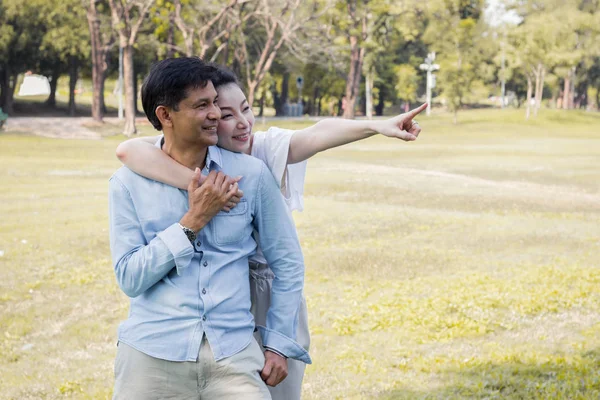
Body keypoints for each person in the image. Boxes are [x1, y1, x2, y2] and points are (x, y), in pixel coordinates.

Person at [116, 65, 426, 399]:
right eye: (218, 111)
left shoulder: (258, 160)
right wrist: (200, 205)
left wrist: (376, 125)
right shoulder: (139, 173)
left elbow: (319, 133)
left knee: (282, 387)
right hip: (172, 337)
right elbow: (129, 150)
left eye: (244, 109)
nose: (236, 121)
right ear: (168, 115)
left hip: (254, 310)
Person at [108, 57, 310, 400]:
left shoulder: (252, 175)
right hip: (152, 355)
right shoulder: (126, 185)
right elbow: (130, 278)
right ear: (165, 115)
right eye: (202, 105)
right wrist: (192, 222)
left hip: (234, 355)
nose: (216, 113)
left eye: (215, 102)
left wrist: (278, 343)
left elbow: (288, 263)